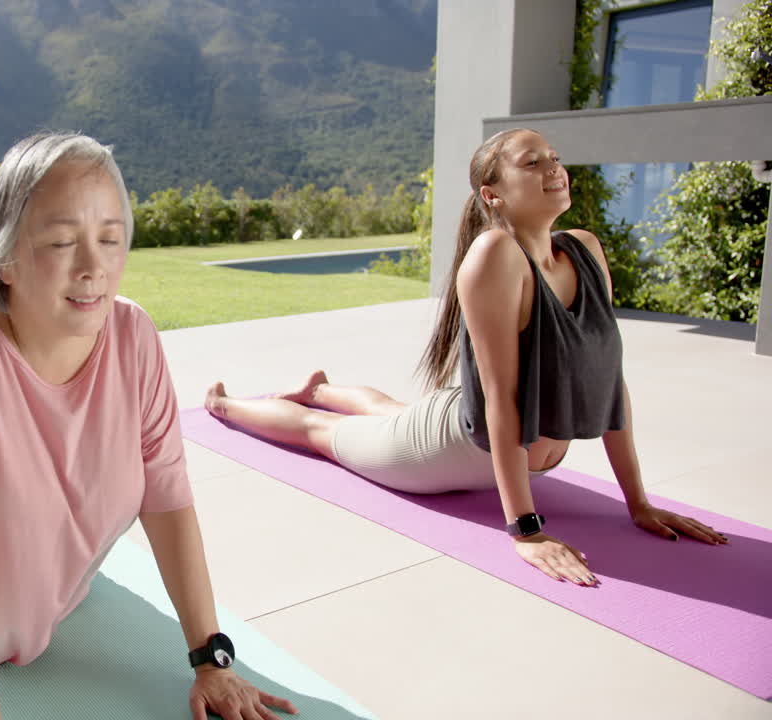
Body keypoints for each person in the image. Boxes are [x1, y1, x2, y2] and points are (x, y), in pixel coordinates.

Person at [0, 131, 297, 720]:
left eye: (109, 238)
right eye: (62, 241)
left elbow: (168, 498)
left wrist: (212, 659)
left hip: (47, 574)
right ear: (5, 261)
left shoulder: (134, 338)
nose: (93, 266)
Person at [204, 128, 728, 587]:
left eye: (554, 157)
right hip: (444, 449)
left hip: (470, 424)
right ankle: (227, 405)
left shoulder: (586, 249)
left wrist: (639, 503)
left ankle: (321, 388)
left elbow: (608, 380)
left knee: (397, 412)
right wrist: (526, 529)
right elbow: (499, 398)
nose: (554, 168)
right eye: (532, 162)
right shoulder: (495, 255)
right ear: (492, 194)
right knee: (319, 434)